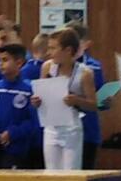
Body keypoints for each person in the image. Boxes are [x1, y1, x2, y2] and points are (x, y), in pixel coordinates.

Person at [31, 29, 97, 170]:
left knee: (70, 172)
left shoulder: (85, 73)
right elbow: (41, 96)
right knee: (51, 173)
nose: (49, 52)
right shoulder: (47, 67)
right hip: (51, 128)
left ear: (68, 50)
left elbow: (94, 105)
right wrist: (36, 101)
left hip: (71, 129)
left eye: (53, 48)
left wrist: (77, 101)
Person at [0, 44, 40, 169]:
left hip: (17, 150)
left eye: (5, 60)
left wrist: (12, 133)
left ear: (19, 63)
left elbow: (33, 121)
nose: (0, 64)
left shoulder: (29, 90)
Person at [67, 23, 108, 169]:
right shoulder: (55, 65)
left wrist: (105, 100)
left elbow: (102, 100)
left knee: (85, 172)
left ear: (86, 44)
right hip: (63, 128)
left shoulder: (93, 66)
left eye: (75, 42)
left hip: (88, 129)